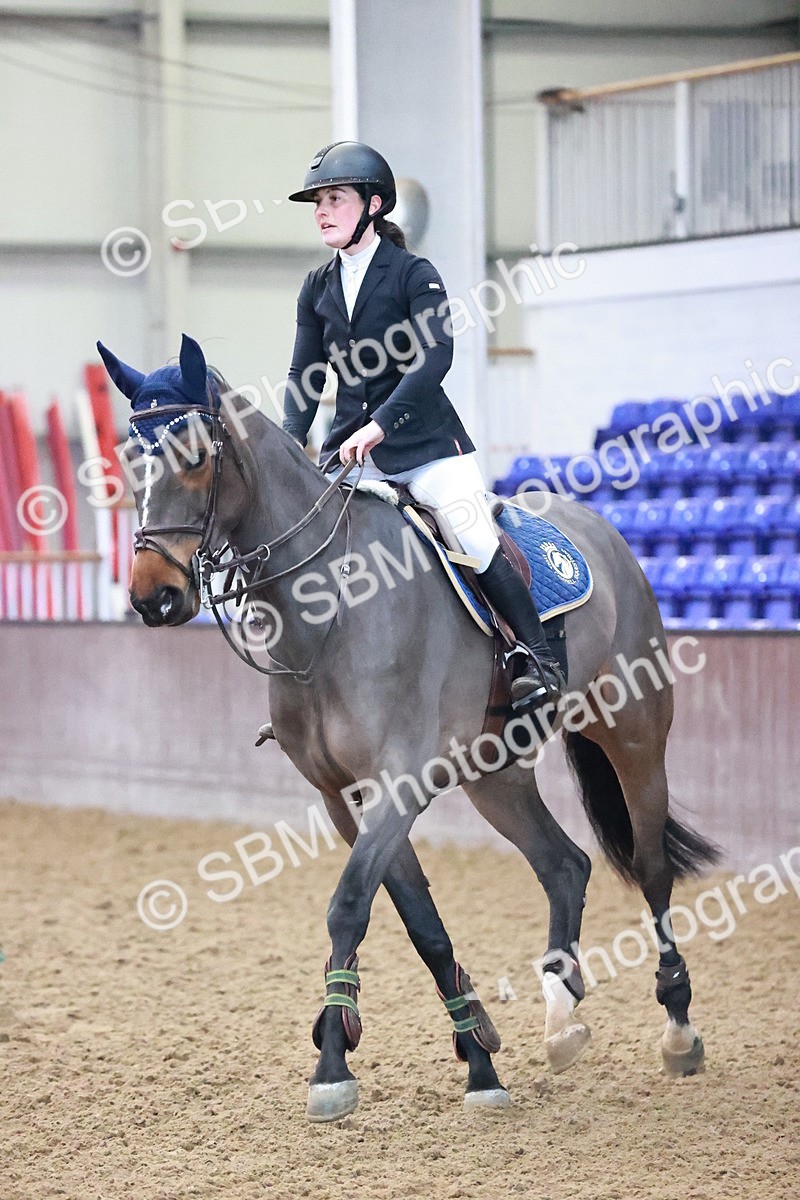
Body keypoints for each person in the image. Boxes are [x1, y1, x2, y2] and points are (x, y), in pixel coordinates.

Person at [256, 140, 564, 747]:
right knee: (305, 543)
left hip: (426, 446)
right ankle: (311, 690)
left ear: (372, 205)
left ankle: (536, 660)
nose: (322, 210)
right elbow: (304, 377)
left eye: (334, 198)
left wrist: (380, 426)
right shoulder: (315, 288)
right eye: (317, 201)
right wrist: (290, 444)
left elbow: (434, 360)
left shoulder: (414, 276)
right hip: (351, 454)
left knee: (469, 530)